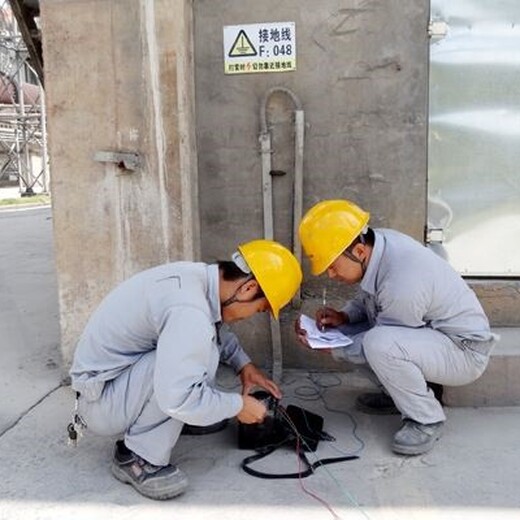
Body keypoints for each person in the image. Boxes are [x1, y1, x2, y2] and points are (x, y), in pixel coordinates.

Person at [69, 239, 302, 500]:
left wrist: (243, 365)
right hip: (101, 403)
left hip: (110, 386)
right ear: (248, 288)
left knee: (198, 350)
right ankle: (136, 456)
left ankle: (171, 419)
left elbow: (216, 327)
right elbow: (177, 395)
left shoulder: (198, 279)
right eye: (258, 309)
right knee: (191, 366)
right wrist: (238, 406)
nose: (249, 316)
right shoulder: (190, 312)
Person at [295, 199, 498, 456]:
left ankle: (426, 419)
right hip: (433, 339)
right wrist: (343, 318)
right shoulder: (380, 245)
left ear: (358, 251)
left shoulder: (403, 280)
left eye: (333, 266)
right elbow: (368, 299)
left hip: (463, 352)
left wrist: (330, 347)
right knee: (359, 339)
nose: (331, 275)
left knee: (376, 344)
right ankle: (398, 396)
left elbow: (382, 343)